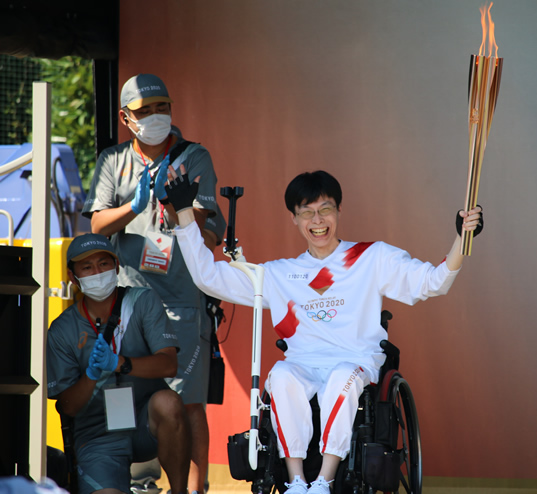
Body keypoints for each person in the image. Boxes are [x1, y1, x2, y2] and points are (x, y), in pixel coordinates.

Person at [164, 168, 483, 494]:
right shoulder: (280, 274)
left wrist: (461, 238)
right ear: (294, 218)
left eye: (325, 209)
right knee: (282, 376)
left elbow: (432, 282)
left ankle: (324, 480)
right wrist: (185, 214)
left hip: (354, 358)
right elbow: (208, 278)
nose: (317, 220)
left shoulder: (370, 257)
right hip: (303, 362)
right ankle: (297, 481)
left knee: (339, 380)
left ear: (339, 210)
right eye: (307, 213)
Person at [82, 73, 225, 494]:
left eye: (163, 106)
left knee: (188, 402)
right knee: (121, 393)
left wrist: (180, 207)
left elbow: (212, 231)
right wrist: (135, 205)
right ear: (127, 118)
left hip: (182, 302)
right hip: (127, 303)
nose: (157, 116)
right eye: (146, 111)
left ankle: (193, 490)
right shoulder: (113, 161)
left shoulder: (193, 156)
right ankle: (127, 480)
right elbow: (96, 223)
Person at [46, 233, 190, 494]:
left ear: (117, 267)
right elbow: (66, 405)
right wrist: (91, 376)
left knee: (170, 403)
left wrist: (121, 363)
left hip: (144, 420)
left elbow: (169, 365)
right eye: (87, 267)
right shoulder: (61, 330)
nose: (97, 272)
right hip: (97, 435)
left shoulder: (143, 301)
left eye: (104, 264)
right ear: (72, 276)